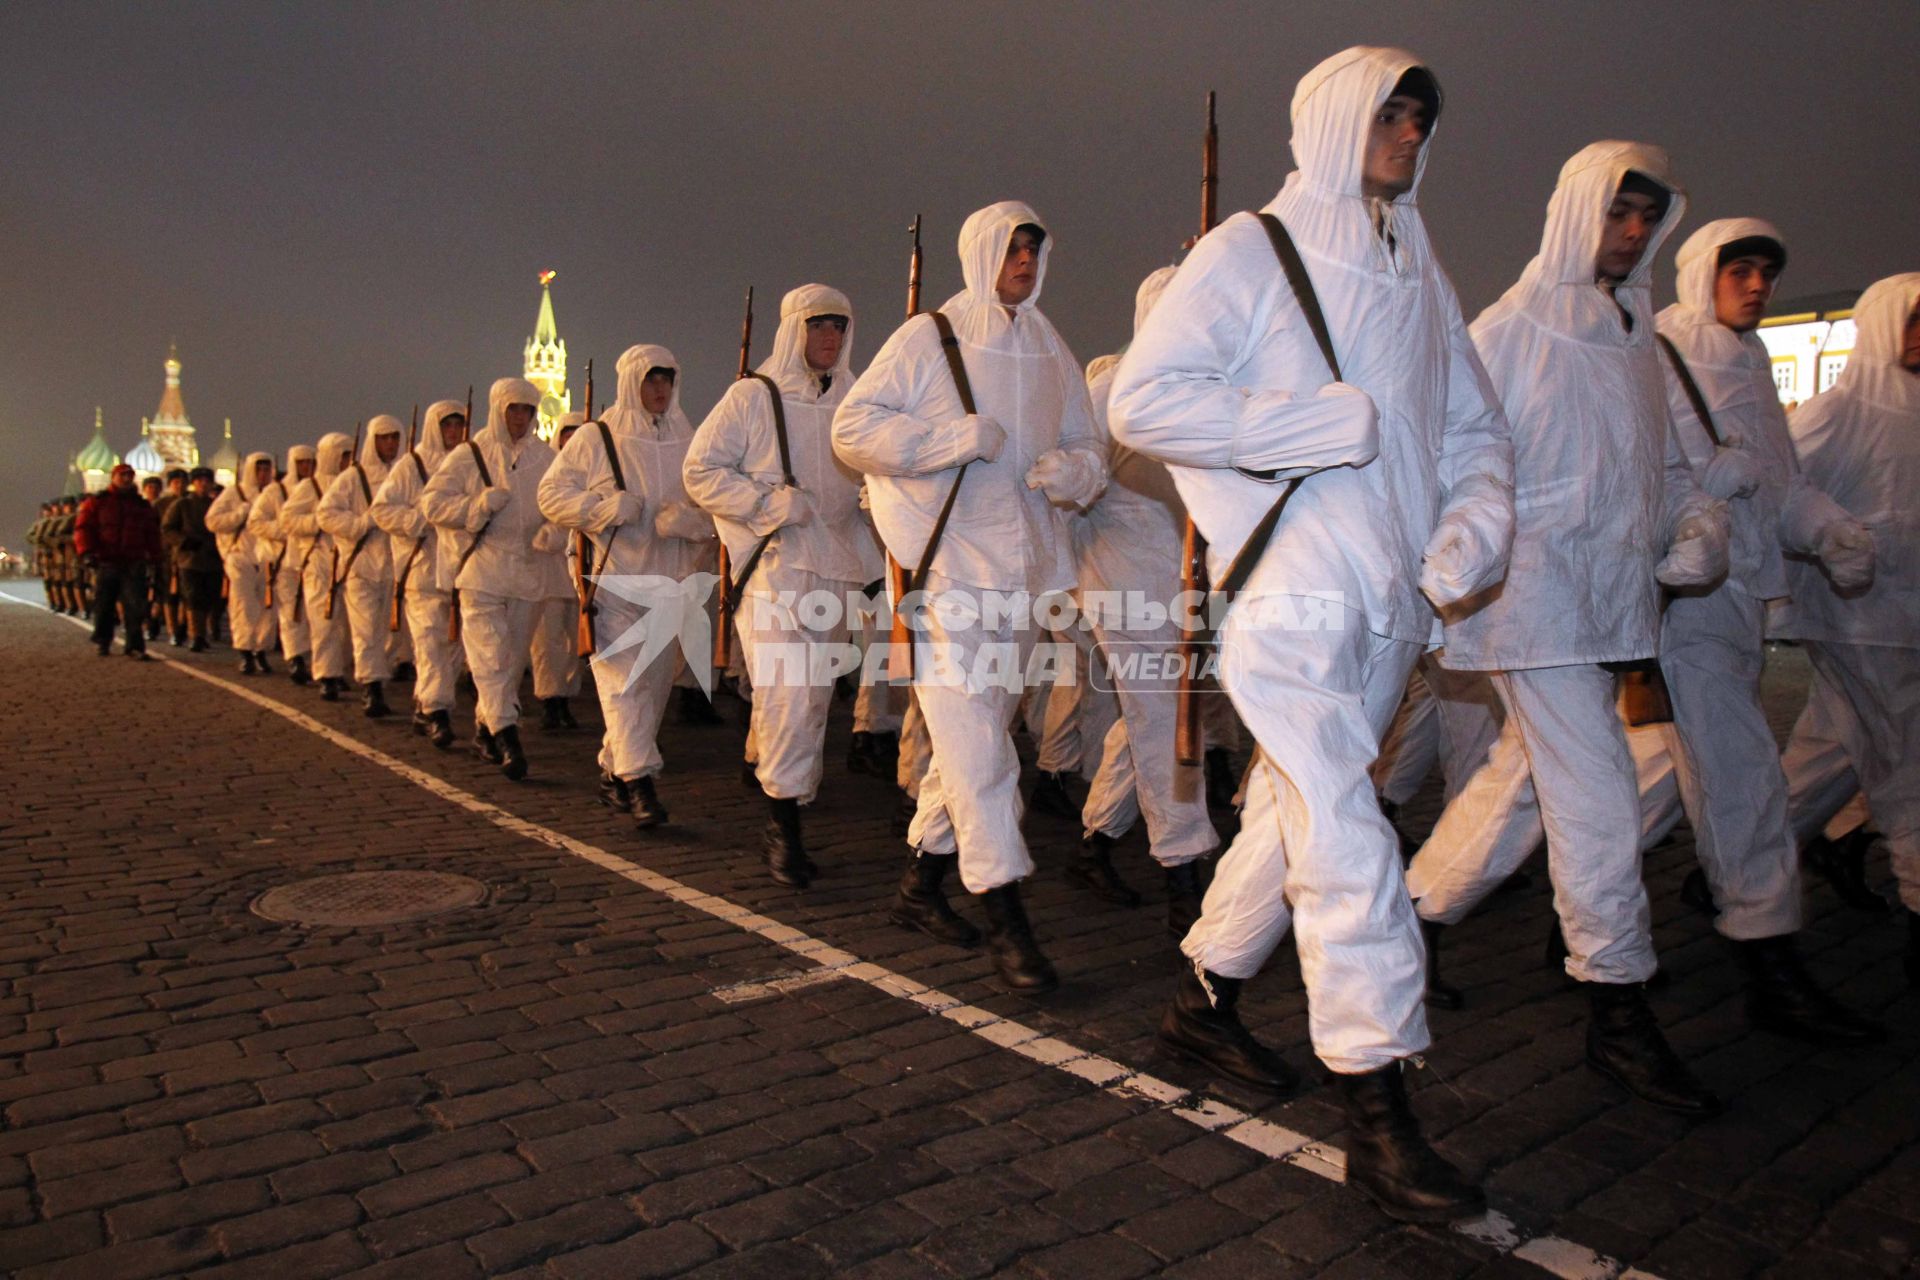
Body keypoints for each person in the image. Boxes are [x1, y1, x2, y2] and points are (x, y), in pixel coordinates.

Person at [1110, 47, 1514, 1221]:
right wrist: (1307, 424)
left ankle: (1202, 996)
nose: (1411, 132)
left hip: (1393, 607)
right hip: (1290, 599)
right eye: (1392, 111)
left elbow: (1476, 427)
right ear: (1340, 118)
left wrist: (1472, 532)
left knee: (1290, 811)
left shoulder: (1418, 260)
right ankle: (1380, 1106)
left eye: (1423, 117)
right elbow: (1142, 398)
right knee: (1347, 833)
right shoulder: (1248, 250)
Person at [1407, 143, 1731, 1121]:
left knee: (1521, 786)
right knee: (1596, 792)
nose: (1631, 234)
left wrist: (1697, 527)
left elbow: (1667, 465)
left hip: (1614, 606)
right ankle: (1617, 1005)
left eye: (1646, 217)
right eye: (1616, 214)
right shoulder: (1507, 329)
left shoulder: (1635, 333)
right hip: (1536, 602)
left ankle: (1413, 913)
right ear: (1575, 213)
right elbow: (1451, 454)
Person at [836, 202, 1108, 994]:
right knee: (984, 753)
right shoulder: (929, 337)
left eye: (1035, 247)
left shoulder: (1052, 346)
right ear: (984, 250)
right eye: (1014, 246)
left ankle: (920, 885)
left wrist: (1076, 473)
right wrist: (945, 442)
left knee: (975, 736)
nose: (1026, 259)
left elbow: (1088, 444)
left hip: (1023, 581)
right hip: (947, 576)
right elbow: (854, 429)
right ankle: (1006, 914)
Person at [1651, 219, 1883, 1044]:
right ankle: (1770, 962)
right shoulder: (1659, 352)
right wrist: (1703, 495)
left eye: (1766, 273)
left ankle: (1569, 924)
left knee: (1651, 782)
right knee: (1742, 778)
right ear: (1700, 272)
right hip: (1688, 606)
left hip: (1740, 604)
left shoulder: (1748, 363)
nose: (1756, 286)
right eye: (1739, 269)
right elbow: (1632, 471)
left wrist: (1827, 530)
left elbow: (1779, 489)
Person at [1771, 273, 1920, 983]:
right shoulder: (1839, 408)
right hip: (1859, 620)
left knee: (1826, 757)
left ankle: (1745, 861)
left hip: (1904, 619)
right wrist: (1849, 538)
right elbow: (1784, 487)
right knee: (1906, 765)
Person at [686, 283, 861, 887]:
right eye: (819, 325)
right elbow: (701, 471)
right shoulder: (752, 397)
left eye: (839, 325)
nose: (830, 337)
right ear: (794, 331)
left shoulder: (858, 400)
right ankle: (783, 826)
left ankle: (788, 796)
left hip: (837, 570)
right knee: (789, 696)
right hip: (776, 569)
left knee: (812, 702)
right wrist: (765, 504)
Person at [1075, 264, 1220, 931]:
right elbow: (1072, 481)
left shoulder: (1209, 396)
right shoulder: (1109, 388)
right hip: (1121, 586)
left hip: (1187, 590)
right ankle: (1184, 870)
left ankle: (1098, 839)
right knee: (1164, 721)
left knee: (1152, 720)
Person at [540, 348, 714, 820]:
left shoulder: (690, 438)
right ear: (631, 383)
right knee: (624, 685)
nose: (658, 390)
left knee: (651, 690)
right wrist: (601, 509)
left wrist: (694, 523)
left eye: (666, 380)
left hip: (670, 584)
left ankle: (614, 769)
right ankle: (640, 783)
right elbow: (551, 494)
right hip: (611, 582)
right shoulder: (596, 438)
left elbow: (716, 505)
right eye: (649, 380)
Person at [423, 378, 557, 780]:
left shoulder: (546, 458)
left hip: (528, 572)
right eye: (512, 409)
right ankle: (507, 734)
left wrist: (555, 530)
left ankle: (487, 725)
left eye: (526, 410)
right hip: (481, 569)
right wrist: (473, 507)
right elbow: (432, 503)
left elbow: (561, 503)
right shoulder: (470, 454)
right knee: (488, 655)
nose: (519, 418)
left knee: (511, 661)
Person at [371, 400, 467, 745]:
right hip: (423, 570)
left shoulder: (470, 462)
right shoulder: (410, 466)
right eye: (448, 426)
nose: (454, 433)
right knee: (429, 643)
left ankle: (428, 702)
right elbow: (382, 509)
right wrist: (418, 520)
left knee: (454, 646)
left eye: (459, 425)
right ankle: (436, 711)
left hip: (459, 571)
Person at [319, 416, 404, 717]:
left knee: (390, 631)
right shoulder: (353, 477)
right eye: (384, 438)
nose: (390, 444)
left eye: (394, 437)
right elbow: (326, 514)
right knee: (366, 630)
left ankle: (381, 676)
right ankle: (371, 686)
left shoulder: (406, 473)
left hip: (396, 566)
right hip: (361, 565)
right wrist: (358, 524)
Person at [284, 434, 356, 699]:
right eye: (343, 455)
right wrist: (322, 520)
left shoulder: (355, 483)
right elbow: (288, 519)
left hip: (350, 560)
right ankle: (327, 674)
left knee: (348, 624)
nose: (347, 460)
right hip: (319, 561)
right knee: (324, 621)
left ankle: (341, 669)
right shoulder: (310, 487)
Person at [75, 463, 162, 658]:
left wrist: (155, 557)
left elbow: (151, 533)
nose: (126, 479)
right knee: (104, 604)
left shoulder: (141, 505)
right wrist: (87, 552)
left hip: (133, 561)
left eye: (129, 476)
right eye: (122, 475)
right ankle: (103, 641)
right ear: (113, 477)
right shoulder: (98, 502)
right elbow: (83, 528)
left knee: (135, 605)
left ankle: (135, 645)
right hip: (107, 560)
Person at [249, 444, 318, 685]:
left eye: (310, 462)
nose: (306, 467)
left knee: (312, 613)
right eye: (302, 463)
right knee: (289, 611)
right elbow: (255, 522)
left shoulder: (318, 489)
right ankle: (295, 656)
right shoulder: (275, 491)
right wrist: (285, 530)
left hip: (309, 559)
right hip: (282, 561)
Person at [207, 451, 280, 674]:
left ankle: (261, 649)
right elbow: (213, 521)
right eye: (259, 469)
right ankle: (245, 651)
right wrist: (242, 512)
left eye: (267, 469)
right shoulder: (234, 493)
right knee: (243, 607)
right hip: (240, 556)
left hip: (268, 558)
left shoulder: (275, 493)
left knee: (268, 608)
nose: (264, 474)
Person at [163, 468, 224, 651]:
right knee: (193, 597)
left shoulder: (217, 505)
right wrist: (184, 542)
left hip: (212, 559)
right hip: (189, 559)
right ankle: (196, 636)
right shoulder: (182, 505)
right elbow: (167, 529)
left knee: (209, 598)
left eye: (207, 480)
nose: (203, 484)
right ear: (194, 483)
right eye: (200, 480)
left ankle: (189, 630)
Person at [153, 470, 189, 644]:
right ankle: (171, 628)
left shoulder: (192, 502)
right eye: (176, 482)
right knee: (168, 594)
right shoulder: (160, 504)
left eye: (183, 481)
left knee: (187, 594)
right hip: (166, 555)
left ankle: (184, 626)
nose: (180, 485)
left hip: (188, 554)